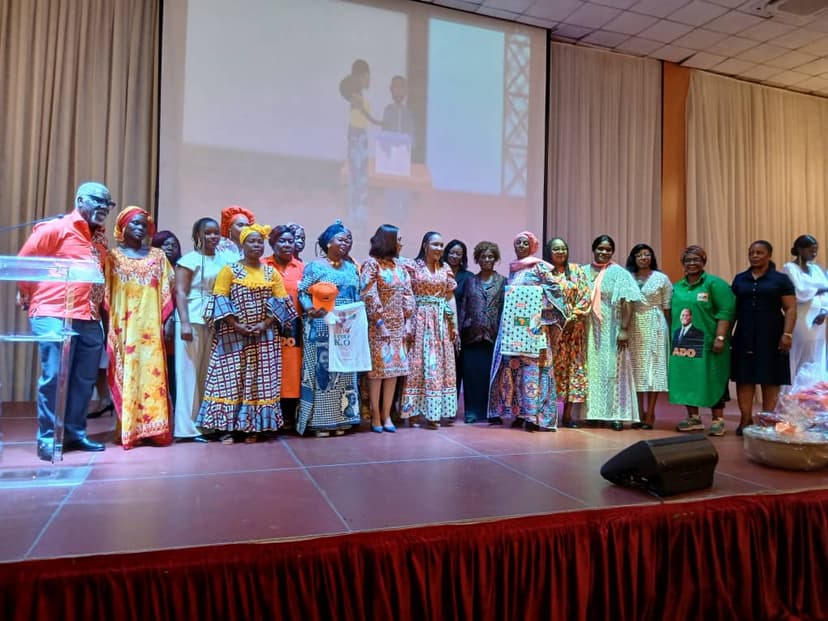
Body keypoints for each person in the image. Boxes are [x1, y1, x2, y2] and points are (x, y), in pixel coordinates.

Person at [17, 181, 113, 460]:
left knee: (84, 380)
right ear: (81, 200)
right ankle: (48, 437)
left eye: (108, 204)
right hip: (53, 312)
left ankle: (74, 433)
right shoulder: (55, 229)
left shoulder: (100, 239)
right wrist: (25, 293)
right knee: (55, 376)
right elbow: (25, 261)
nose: (103, 208)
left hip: (88, 316)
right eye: (98, 201)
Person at [198, 224, 296, 443]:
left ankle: (252, 427)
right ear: (242, 244)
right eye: (251, 241)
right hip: (233, 335)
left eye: (260, 242)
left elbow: (282, 303)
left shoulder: (271, 272)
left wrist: (265, 324)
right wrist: (237, 325)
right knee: (230, 379)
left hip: (265, 336)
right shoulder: (230, 270)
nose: (256, 245)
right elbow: (220, 300)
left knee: (259, 380)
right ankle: (226, 428)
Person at [105, 207, 175, 449]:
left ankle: (155, 430)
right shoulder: (112, 257)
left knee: (152, 376)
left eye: (144, 224)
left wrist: (168, 322)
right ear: (123, 226)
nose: (140, 228)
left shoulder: (158, 256)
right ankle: (129, 430)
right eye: (134, 223)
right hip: (123, 327)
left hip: (151, 329)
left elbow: (168, 292)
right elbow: (106, 294)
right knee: (127, 374)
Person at [488, 232, 566, 432]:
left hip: (534, 330)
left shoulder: (539, 266)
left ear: (532, 246)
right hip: (514, 331)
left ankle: (534, 416)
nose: (521, 246)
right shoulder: (514, 269)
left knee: (533, 372)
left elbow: (555, 291)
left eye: (525, 243)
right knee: (514, 370)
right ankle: (519, 413)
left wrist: (537, 306)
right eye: (518, 243)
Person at [297, 221, 362, 437]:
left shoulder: (352, 268)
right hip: (321, 326)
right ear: (328, 242)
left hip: (345, 330)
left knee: (344, 374)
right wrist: (309, 310)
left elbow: (357, 296)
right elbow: (303, 293)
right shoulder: (315, 266)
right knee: (322, 373)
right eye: (341, 239)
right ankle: (321, 422)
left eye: (349, 240)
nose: (346, 243)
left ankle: (344, 418)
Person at [731, 240, 796, 434]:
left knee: (770, 378)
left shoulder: (780, 279)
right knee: (744, 378)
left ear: (769, 255)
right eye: (752, 252)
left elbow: (791, 308)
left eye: (759, 252)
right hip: (744, 333)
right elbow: (732, 309)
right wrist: (726, 334)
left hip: (772, 334)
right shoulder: (740, 279)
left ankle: (768, 420)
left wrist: (787, 334)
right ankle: (745, 420)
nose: (755, 256)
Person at [670, 246, 736, 436]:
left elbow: (726, 313)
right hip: (683, 345)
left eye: (696, 259)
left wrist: (720, 338)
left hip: (709, 343)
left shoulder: (715, 284)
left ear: (704, 262)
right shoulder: (676, 287)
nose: (692, 263)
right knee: (688, 379)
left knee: (713, 377)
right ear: (683, 263)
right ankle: (694, 418)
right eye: (688, 260)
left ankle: (718, 420)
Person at [583, 235, 642, 430]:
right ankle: (593, 413)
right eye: (600, 248)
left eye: (608, 249)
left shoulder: (620, 273)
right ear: (594, 249)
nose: (604, 252)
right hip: (588, 328)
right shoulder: (582, 272)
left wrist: (624, 329)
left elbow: (629, 302)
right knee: (591, 370)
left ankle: (616, 414)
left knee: (614, 371)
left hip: (612, 327)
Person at [360, 224, 415, 432]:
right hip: (378, 326)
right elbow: (368, 293)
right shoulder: (372, 265)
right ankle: (375, 415)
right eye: (398, 239)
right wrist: (380, 322)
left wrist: (408, 321)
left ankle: (386, 414)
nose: (401, 243)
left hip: (398, 326)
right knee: (378, 372)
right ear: (389, 241)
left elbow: (408, 295)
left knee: (394, 372)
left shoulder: (400, 267)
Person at [401, 231, 458, 428]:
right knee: (418, 364)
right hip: (420, 319)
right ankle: (414, 412)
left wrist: (454, 325)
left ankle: (435, 413)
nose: (439, 249)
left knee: (440, 365)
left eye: (441, 245)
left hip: (441, 321)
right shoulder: (413, 266)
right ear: (425, 245)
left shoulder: (445, 268)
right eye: (435, 244)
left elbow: (450, 298)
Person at [173, 217, 223, 443]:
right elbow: (180, 292)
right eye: (208, 233)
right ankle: (187, 428)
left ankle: (206, 423)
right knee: (188, 374)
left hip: (215, 320)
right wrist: (183, 322)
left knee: (208, 375)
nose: (213, 237)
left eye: (216, 233)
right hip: (191, 319)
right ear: (197, 236)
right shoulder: (188, 260)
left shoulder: (227, 259)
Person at [544, 237, 591, 428]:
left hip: (574, 330)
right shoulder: (544, 272)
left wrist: (574, 316)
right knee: (551, 370)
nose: (561, 252)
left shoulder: (577, 270)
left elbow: (585, 295)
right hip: (551, 330)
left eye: (564, 248)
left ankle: (568, 415)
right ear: (549, 252)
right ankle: (549, 414)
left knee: (573, 370)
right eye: (556, 249)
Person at [625, 243, 672, 429]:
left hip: (655, 324)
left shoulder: (662, 278)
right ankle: (639, 412)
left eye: (647, 254)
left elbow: (667, 306)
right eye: (640, 255)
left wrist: (667, 330)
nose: (644, 258)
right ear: (634, 258)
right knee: (636, 368)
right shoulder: (627, 277)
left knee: (653, 370)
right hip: (633, 324)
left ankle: (651, 412)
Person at [459, 241, 505, 424]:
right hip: (472, 335)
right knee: (471, 375)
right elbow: (463, 307)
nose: (487, 259)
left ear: (495, 259)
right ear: (477, 259)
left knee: (492, 376)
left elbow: (504, 309)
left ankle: (492, 412)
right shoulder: (470, 281)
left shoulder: (503, 281)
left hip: (493, 336)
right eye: (483, 256)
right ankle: (471, 411)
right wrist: (460, 332)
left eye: (490, 256)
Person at [264, 225, 305, 430]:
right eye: (282, 241)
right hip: (268, 326)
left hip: (293, 327)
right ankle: (270, 417)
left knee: (290, 371)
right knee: (270, 369)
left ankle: (288, 417)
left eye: (290, 241)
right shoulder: (263, 265)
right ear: (272, 243)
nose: (287, 244)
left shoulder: (301, 268)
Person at [340, 59, 381, 223]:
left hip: (360, 135)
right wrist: (380, 123)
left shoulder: (359, 96)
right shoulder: (356, 97)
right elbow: (366, 116)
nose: (368, 80)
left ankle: (358, 213)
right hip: (357, 136)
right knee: (357, 176)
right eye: (366, 76)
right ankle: (354, 213)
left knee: (360, 176)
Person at [782, 235, 828, 378]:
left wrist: (824, 310)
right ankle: (793, 394)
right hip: (801, 317)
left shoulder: (815, 269)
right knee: (800, 352)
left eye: (816, 250)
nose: (814, 253)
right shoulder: (789, 268)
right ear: (799, 250)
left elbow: (826, 291)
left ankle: (812, 393)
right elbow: (799, 291)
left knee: (817, 351)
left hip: (819, 319)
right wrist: (820, 289)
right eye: (811, 250)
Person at [151, 229, 183, 404]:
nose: (170, 248)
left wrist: (171, 319)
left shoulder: (181, 267)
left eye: (174, 245)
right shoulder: (149, 267)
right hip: (152, 323)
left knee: (172, 369)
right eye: (166, 244)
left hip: (174, 322)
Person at [444, 239, 471, 397]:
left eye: (458, 254)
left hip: (459, 327)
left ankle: (452, 406)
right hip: (438, 323)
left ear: (463, 257)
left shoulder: (468, 277)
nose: (454, 256)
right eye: (452, 252)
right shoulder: (438, 272)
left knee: (457, 367)